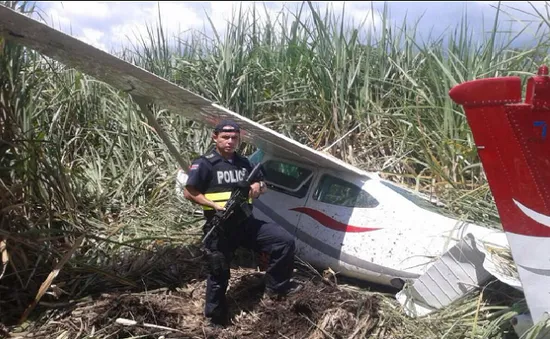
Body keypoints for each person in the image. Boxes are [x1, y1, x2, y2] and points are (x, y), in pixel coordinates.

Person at [183, 119, 303, 328]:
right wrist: (211, 204)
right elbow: (189, 192)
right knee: (219, 272)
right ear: (215, 137)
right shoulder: (205, 163)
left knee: (283, 242)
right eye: (225, 137)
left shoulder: (244, 162)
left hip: (245, 222)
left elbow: (262, 183)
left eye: (234, 138)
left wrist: (257, 186)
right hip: (220, 226)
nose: (230, 142)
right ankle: (215, 318)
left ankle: (276, 291)